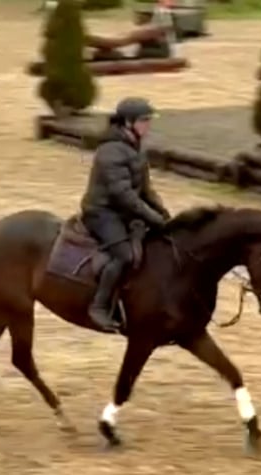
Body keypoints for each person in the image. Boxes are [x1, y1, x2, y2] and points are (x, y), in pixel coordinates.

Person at [80, 97, 171, 332]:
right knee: (124, 256)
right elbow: (124, 195)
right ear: (128, 122)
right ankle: (99, 307)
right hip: (102, 213)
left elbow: (146, 190)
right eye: (144, 120)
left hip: (124, 211)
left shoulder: (134, 147)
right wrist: (152, 218)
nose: (148, 125)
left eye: (149, 120)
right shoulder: (111, 152)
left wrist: (164, 215)